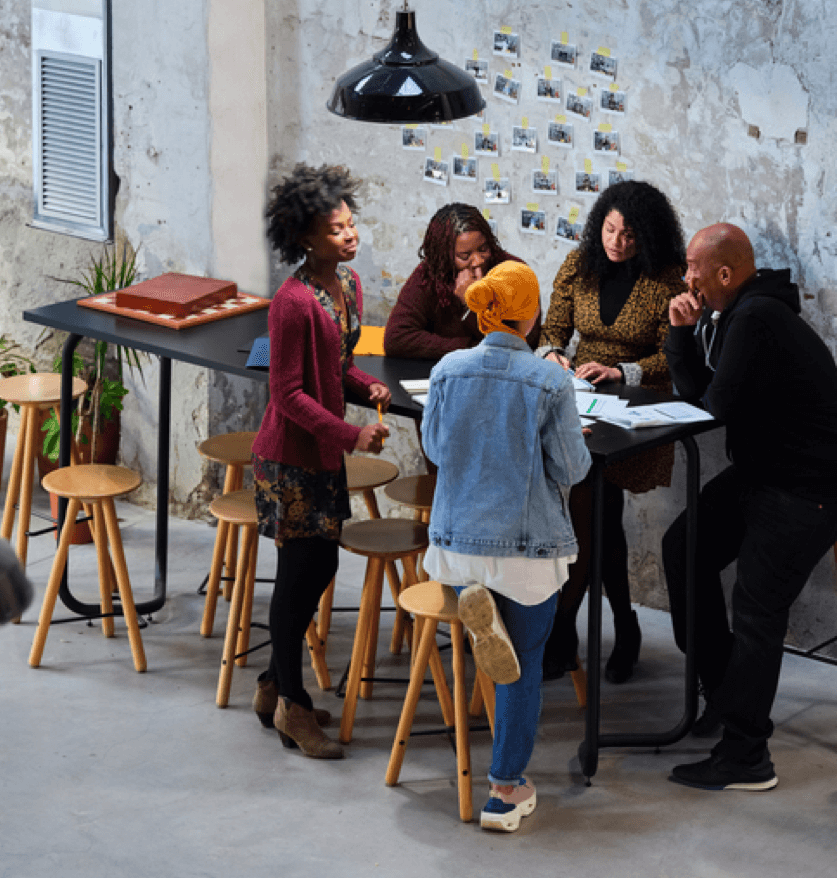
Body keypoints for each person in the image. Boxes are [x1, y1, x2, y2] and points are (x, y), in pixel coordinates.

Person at [662, 223, 837, 791]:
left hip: (814, 486)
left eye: (694, 270)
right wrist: (682, 333)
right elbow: (702, 394)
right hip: (768, 474)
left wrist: (689, 336)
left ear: (725, 274)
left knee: (755, 605)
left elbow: (715, 404)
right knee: (683, 549)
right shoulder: (738, 315)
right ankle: (728, 698)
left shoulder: (755, 318)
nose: (687, 279)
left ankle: (746, 757)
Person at [421, 260, 592, 831]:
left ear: (480, 310)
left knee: (497, 630)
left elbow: (438, 451)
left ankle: (472, 602)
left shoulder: (447, 370)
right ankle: (504, 790)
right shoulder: (550, 381)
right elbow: (572, 468)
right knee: (522, 663)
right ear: (534, 315)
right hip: (523, 554)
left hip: (453, 548)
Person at [250, 163, 391, 759]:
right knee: (300, 574)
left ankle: (271, 687)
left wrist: (367, 388)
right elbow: (288, 394)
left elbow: (334, 372)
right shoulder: (291, 302)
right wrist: (350, 436)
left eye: (351, 224)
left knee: (320, 567)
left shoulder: (348, 288)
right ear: (306, 238)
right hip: (290, 459)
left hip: (322, 455)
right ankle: (293, 708)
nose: (349, 236)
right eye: (336, 230)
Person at [537, 180, 686, 683]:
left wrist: (622, 372)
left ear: (649, 238)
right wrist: (555, 355)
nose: (616, 243)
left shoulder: (668, 279)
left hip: (636, 412)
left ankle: (568, 630)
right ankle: (620, 627)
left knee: (594, 512)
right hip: (580, 404)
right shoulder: (580, 265)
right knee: (597, 515)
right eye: (610, 229)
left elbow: (676, 358)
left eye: (629, 236)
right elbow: (553, 331)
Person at [384, 203, 540, 359]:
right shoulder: (430, 274)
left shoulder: (512, 271)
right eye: (465, 256)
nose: (478, 261)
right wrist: (470, 348)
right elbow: (396, 338)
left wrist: (474, 302)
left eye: (483, 249)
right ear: (445, 256)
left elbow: (526, 339)